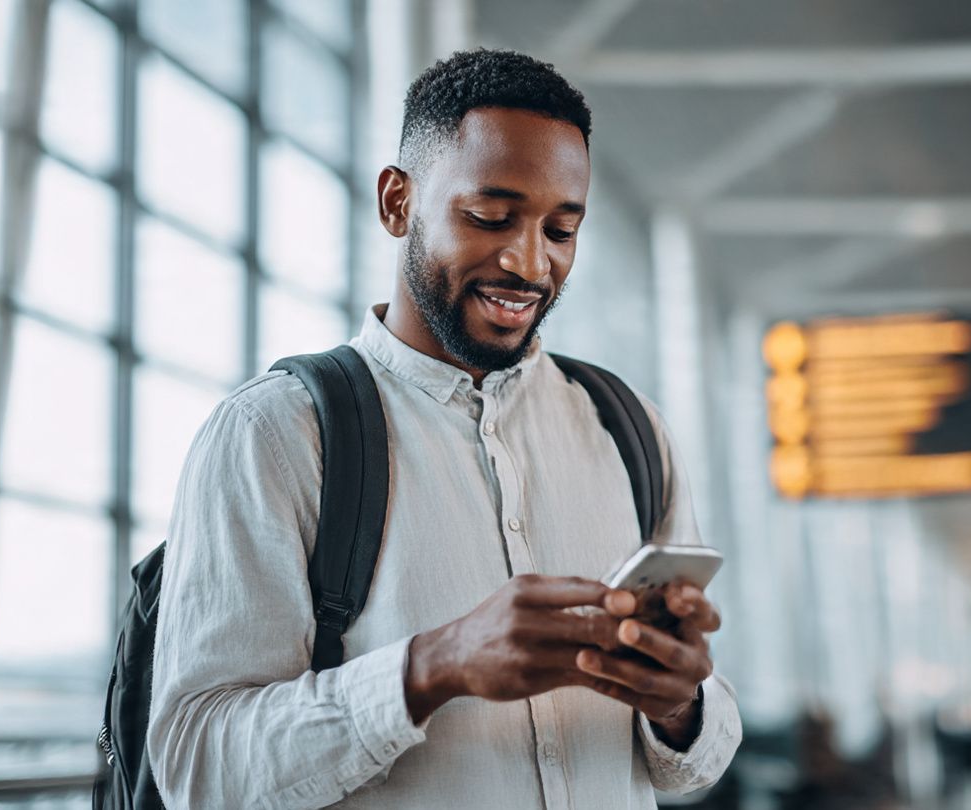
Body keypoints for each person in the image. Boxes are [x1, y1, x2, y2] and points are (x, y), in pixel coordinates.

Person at [145, 48, 742, 808]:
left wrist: (678, 703)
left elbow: (699, 761)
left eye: (561, 230)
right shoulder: (277, 434)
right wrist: (432, 668)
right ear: (398, 203)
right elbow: (198, 767)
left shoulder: (628, 430)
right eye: (490, 217)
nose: (530, 263)